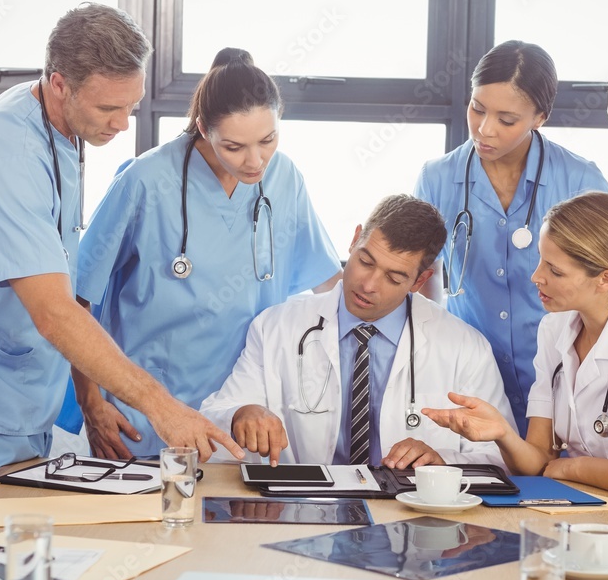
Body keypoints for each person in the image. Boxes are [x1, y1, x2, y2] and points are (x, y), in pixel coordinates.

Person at [0, 4, 243, 510]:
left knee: (27, 555)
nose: (123, 124)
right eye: (107, 110)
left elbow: (67, 276)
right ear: (59, 84)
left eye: (132, 106)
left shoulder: (60, 126)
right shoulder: (9, 157)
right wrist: (163, 408)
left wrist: (88, 396)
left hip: (17, 390)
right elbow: (55, 311)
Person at [70, 48, 341, 459]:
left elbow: (327, 281)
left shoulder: (284, 177)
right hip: (148, 414)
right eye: (234, 147)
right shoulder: (145, 181)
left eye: (267, 140)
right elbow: (78, 298)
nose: (255, 162)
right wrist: (91, 404)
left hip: (245, 411)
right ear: (203, 128)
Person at [199, 194, 514, 469]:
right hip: (306, 509)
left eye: (394, 277)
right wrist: (242, 413)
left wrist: (443, 462)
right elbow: (217, 415)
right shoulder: (275, 327)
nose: (368, 286)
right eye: (365, 261)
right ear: (355, 239)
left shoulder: (466, 347)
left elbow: (499, 457)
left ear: (419, 282)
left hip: (412, 515)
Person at [424, 192, 608, 502]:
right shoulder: (554, 330)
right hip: (586, 504)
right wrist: (502, 433)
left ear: (606, 279)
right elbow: (539, 460)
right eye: (540, 260)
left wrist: (572, 468)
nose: (536, 276)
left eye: (555, 271)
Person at [414, 40, 608, 434]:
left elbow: (606, 294)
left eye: (506, 120)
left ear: (540, 116)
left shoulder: (581, 180)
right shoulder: (436, 178)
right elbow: (421, 284)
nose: (484, 130)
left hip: (562, 378)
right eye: (477, 108)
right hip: (468, 377)